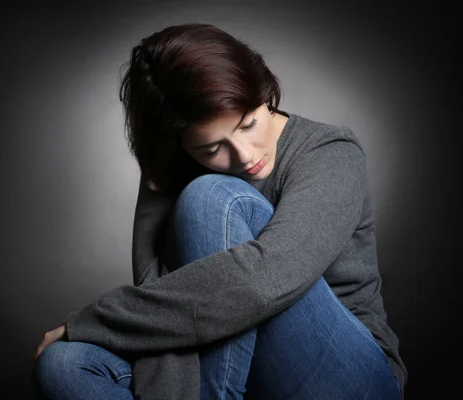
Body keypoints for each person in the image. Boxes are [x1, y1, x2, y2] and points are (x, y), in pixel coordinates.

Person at [32, 23, 407, 400]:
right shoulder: (169, 171)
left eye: (249, 124)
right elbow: (160, 294)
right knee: (64, 365)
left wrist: (90, 321)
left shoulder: (330, 153)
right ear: (179, 147)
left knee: (213, 196)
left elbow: (260, 284)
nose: (245, 155)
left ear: (262, 92)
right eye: (213, 150)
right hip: (228, 370)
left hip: (350, 376)